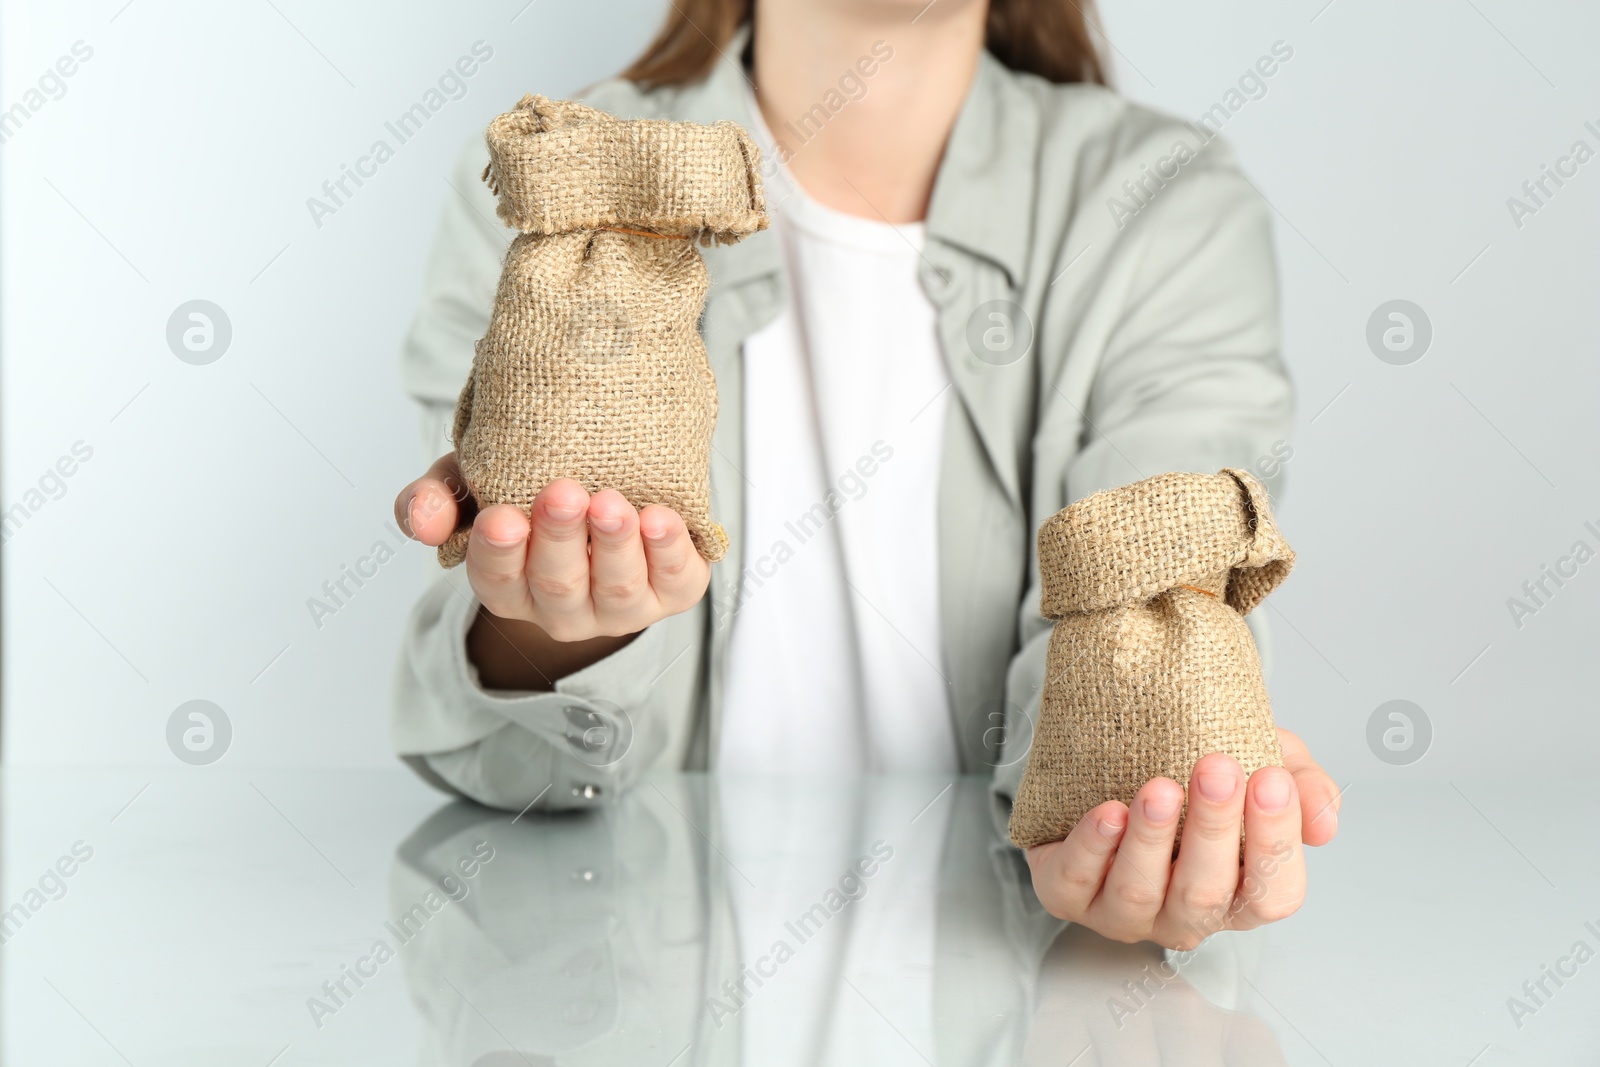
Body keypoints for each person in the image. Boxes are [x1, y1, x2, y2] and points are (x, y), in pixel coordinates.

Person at [391, 0, 1340, 951]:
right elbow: (499, 769)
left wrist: (1140, 789)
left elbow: (1159, 567)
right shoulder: (558, 174)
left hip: (1014, 982)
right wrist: (547, 629)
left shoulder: (1166, 204)